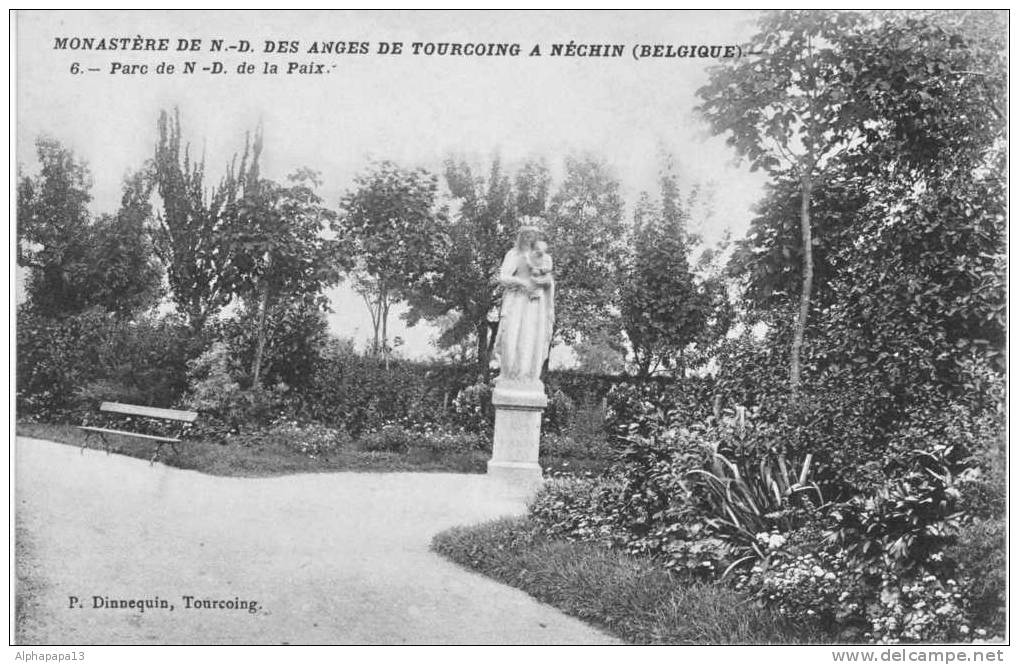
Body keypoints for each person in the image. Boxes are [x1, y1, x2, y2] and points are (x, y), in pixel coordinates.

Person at [493, 224, 555, 384]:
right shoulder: (514, 254)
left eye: (533, 235)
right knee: (511, 336)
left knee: (531, 337)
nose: (529, 237)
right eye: (526, 234)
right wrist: (522, 282)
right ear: (520, 236)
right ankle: (509, 374)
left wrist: (545, 282)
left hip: (535, 304)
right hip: (517, 300)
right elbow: (503, 277)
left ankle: (528, 376)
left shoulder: (544, 257)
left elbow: (549, 280)